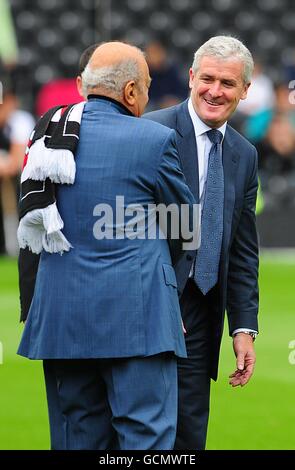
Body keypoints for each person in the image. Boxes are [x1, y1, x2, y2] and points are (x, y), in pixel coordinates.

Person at [17, 42, 197, 450]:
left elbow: (35, 228)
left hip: (62, 319)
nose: (148, 96)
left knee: (77, 438)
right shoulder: (154, 139)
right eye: (147, 87)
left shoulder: (46, 132)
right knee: (145, 439)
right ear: (131, 91)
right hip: (139, 319)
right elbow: (186, 225)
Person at [145, 35, 259, 450]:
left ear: (245, 90)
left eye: (228, 83)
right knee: (137, 433)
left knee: (188, 436)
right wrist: (160, 300)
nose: (215, 90)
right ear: (191, 77)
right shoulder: (149, 133)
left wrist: (244, 327)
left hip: (202, 311)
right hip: (145, 306)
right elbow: (129, 228)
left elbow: (243, 249)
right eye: (207, 78)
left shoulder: (245, 155)